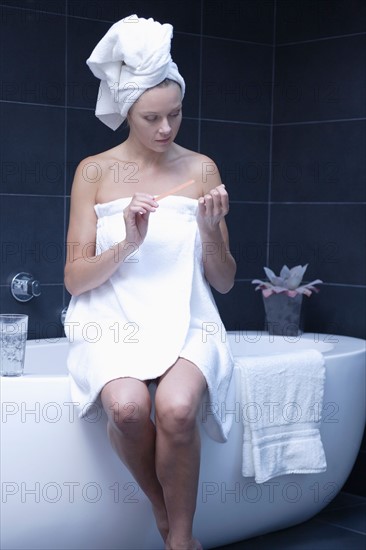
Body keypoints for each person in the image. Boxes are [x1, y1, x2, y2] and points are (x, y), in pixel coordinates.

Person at [64, 15, 236, 550]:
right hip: (111, 316)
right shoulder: (93, 171)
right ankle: (164, 513)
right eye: (151, 118)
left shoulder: (202, 169)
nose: (166, 129)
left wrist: (210, 231)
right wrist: (129, 244)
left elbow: (225, 281)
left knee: (178, 409)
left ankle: (180, 540)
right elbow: (74, 279)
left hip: (187, 316)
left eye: (175, 114)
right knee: (129, 408)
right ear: (126, 113)